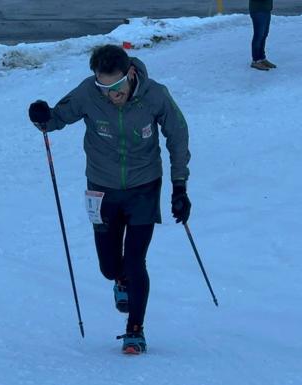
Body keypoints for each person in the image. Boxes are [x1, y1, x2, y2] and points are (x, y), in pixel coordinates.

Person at [27, 44, 191, 354]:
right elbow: (56, 118)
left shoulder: (155, 95)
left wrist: (179, 186)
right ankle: (121, 280)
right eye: (103, 87)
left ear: (130, 74)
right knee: (110, 266)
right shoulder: (89, 92)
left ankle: (135, 329)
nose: (109, 94)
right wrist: (41, 116)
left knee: (135, 260)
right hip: (101, 190)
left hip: (144, 187)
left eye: (115, 87)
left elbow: (178, 135)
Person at [249, 0, 276, 70]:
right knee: (258, 36)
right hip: (258, 10)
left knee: (264, 35)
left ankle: (262, 58)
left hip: (266, 10)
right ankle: (255, 61)